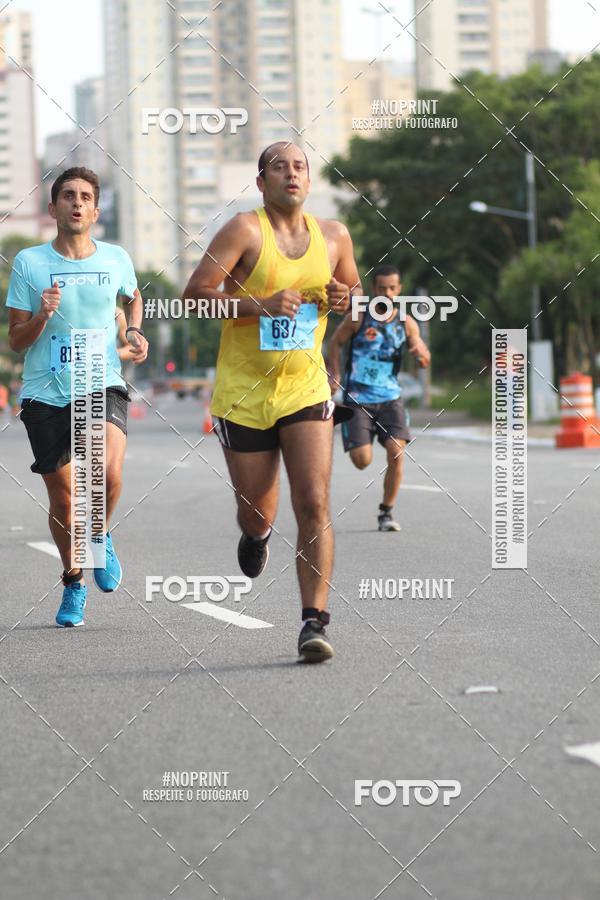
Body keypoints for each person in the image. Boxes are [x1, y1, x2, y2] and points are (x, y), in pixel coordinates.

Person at [183, 142, 361, 662]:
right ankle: (256, 534)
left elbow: (350, 295)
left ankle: (314, 622)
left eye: (300, 166)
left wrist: (344, 299)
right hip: (244, 395)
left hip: (306, 389)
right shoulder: (243, 230)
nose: (291, 174)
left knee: (314, 502)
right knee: (256, 509)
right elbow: (194, 295)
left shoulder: (334, 236)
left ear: (310, 180)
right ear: (262, 182)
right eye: (279, 167)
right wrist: (258, 304)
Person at [6, 167, 148, 627]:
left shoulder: (114, 258)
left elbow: (133, 297)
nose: (77, 203)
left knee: (106, 470)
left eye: (85, 196)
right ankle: (72, 582)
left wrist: (135, 330)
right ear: (53, 209)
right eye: (68, 196)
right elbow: (16, 340)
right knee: (65, 500)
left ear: (96, 210)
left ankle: (100, 534)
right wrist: (42, 315)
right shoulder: (29, 262)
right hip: (46, 394)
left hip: (100, 380)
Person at [327, 265, 430, 532]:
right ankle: (356, 435)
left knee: (397, 453)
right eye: (381, 288)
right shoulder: (359, 317)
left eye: (392, 288)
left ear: (399, 290)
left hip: (390, 399)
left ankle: (386, 512)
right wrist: (334, 373)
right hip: (358, 398)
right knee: (362, 461)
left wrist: (421, 355)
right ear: (374, 290)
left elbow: (424, 358)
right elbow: (335, 343)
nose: (387, 293)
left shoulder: (406, 323)